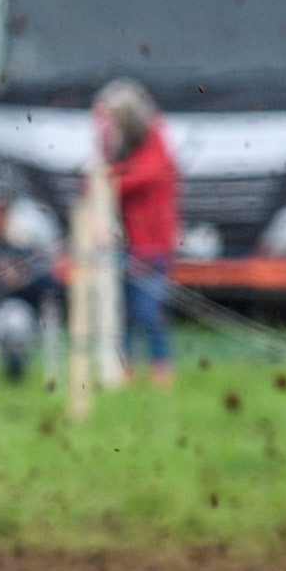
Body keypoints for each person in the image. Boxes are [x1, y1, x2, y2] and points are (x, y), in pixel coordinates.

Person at [92, 78, 179, 389]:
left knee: (149, 309)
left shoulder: (153, 139)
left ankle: (161, 367)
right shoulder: (117, 144)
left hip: (150, 241)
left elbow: (143, 176)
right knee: (122, 309)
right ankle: (125, 366)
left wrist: (108, 176)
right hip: (124, 239)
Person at [0, 185, 62, 382]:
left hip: (17, 307)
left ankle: (15, 372)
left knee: (16, 321)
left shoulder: (25, 248)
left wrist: (21, 277)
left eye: (2, 211)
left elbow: (48, 283)